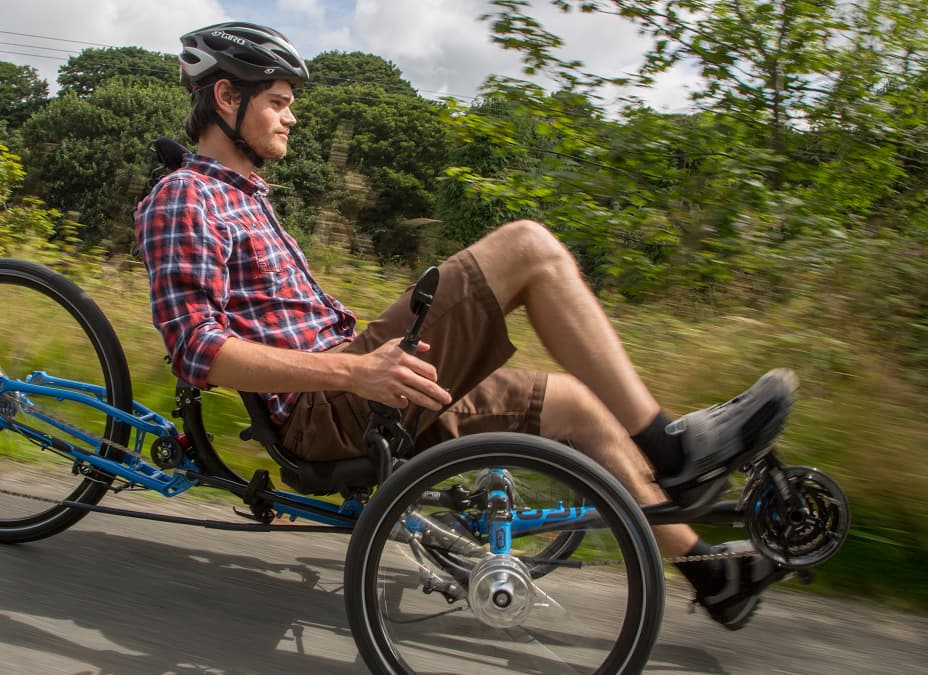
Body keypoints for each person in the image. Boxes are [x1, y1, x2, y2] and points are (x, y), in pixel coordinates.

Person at [136, 21, 794, 628]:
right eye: (278, 101)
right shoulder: (184, 198)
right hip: (329, 408)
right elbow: (197, 348)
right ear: (226, 96)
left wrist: (363, 362)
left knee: (579, 408)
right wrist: (359, 369)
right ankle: (674, 452)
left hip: (353, 388)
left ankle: (713, 575)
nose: (292, 115)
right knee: (526, 247)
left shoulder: (245, 198)